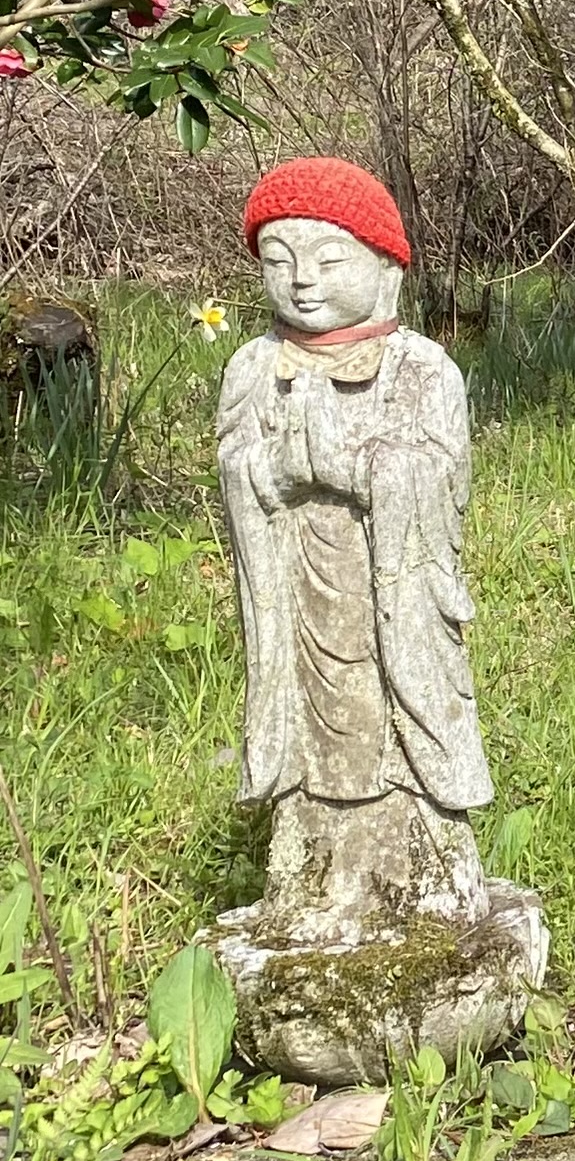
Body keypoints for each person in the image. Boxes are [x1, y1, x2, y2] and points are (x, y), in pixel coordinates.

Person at [219, 159, 496, 940]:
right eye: (279, 260)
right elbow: (237, 464)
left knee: (398, 727)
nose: (303, 280)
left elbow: (439, 473)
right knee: (314, 729)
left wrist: (353, 468)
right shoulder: (253, 367)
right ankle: (311, 877)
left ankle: (423, 876)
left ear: (385, 268)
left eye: (329, 259)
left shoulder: (420, 368)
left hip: (393, 597)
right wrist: (269, 474)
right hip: (298, 593)